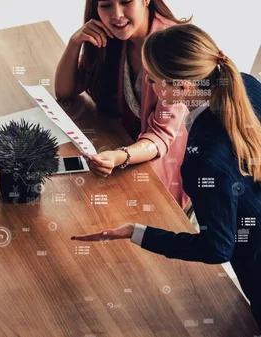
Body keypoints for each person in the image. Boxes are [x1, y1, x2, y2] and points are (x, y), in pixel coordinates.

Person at [71, 24, 261, 327]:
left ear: (182, 88)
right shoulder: (247, 84)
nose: (147, 83)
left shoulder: (204, 162)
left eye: (153, 79)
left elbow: (217, 247)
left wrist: (136, 232)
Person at [54, 0, 191, 210]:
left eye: (126, 2)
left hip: (162, 172)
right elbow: (65, 92)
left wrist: (120, 157)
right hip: (119, 145)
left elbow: (160, 137)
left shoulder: (173, 48)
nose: (116, 14)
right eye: (106, 5)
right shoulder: (111, 37)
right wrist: (75, 42)